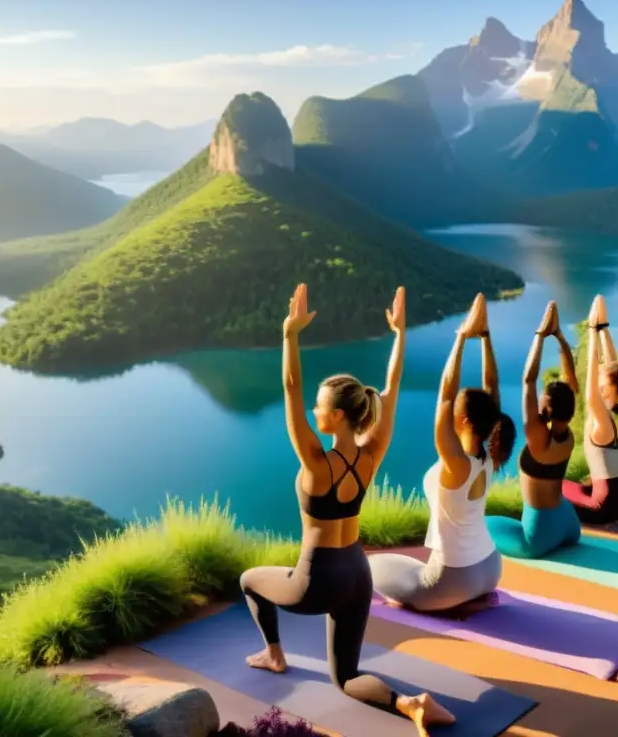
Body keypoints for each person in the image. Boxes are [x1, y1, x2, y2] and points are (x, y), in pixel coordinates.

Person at [239, 284, 454, 736]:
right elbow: (392, 386)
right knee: (347, 676)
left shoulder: (317, 464)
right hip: (358, 573)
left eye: (321, 406)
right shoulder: (370, 453)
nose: (314, 410)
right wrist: (399, 334)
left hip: (317, 580)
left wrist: (288, 334)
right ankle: (409, 704)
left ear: (337, 417)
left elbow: (290, 389)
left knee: (249, 581)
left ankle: (274, 655)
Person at [369, 293, 517, 614]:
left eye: (457, 410)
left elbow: (445, 392)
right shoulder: (488, 454)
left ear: (464, 421)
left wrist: (462, 337)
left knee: (369, 568)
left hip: (450, 582)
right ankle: (467, 600)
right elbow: (492, 385)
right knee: (402, 563)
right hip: (490, 569)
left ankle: (443, 606)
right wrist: (486, 337)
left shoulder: (455, 462)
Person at [487, 300, 582, 558]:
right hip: (568, 521)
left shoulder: (538, 438)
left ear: (547, 409)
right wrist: (560, 337)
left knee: (475, 528)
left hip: (539, 532)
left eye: (543, 398)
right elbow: (570, 378)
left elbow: (528, 379)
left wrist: (540, 335)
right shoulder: (567, 434)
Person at [563, 294, 618, 524]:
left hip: (605, 502)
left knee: (557, 488)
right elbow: (612, 363)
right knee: (580, 486)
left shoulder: (601, 417)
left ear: (607, 384)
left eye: (601, 378)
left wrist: (592, 334)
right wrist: (604, 329)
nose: (597, 379)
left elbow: (590, 388)